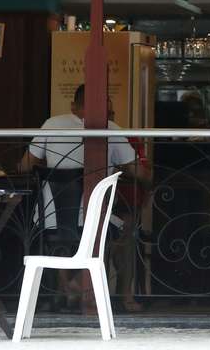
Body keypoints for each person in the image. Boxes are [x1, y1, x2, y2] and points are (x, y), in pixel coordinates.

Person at [18, 84, 149, 312]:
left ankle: (65, 288)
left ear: (72, 106)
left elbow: (25, 165)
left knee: (65, 239)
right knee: (125, 230)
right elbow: (138, 172)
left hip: (49, 220)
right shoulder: (110, 129)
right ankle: (112, 294)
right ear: (104, 107)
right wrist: (153, 177)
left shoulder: (51, 124)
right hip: (94, 221)